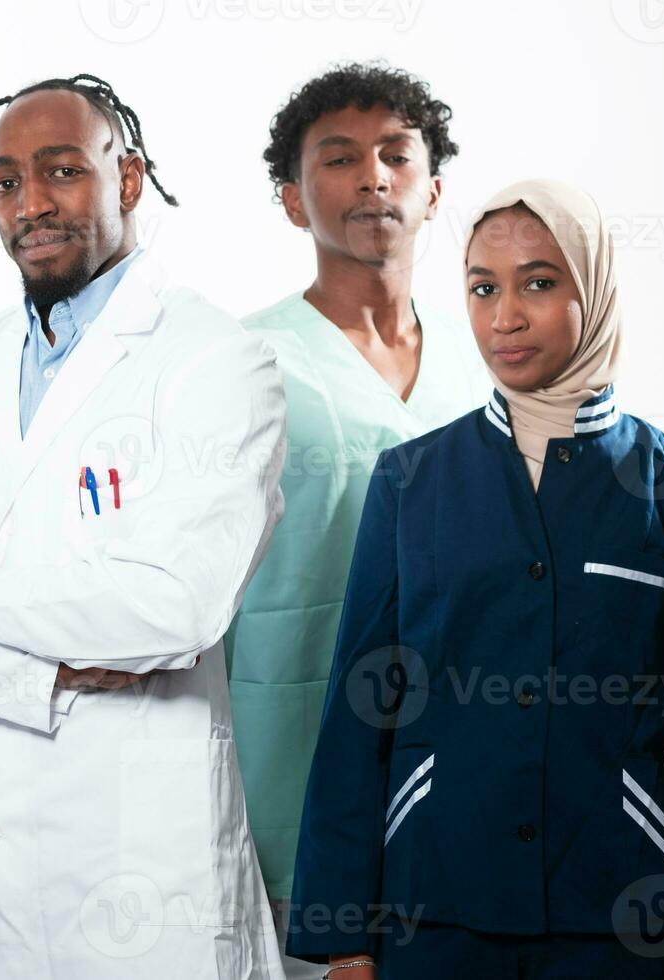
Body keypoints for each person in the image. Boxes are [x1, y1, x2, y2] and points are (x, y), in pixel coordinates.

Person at [287, 179, 664, 979]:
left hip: (622, 920)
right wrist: (344, 938)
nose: (504, 316)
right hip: (433, 910)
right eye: (482, 288)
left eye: (539, 282)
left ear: (593, 287)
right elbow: (359, 719)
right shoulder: (409, 481)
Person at [0, 74, 289, 979]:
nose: (31, 204)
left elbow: (173, 609)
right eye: (5, 182)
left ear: (129, 179)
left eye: (61, 171)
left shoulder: (215, 361)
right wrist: (52, 670)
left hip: (142, 863)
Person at [221, 63, 484, 978]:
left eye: (395, 155)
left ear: (434, 189)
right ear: (294, 201)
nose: (372, 176)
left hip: (461, 751)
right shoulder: (242, 360)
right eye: (338, 158)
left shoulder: (487, 364)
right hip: (290, 762)